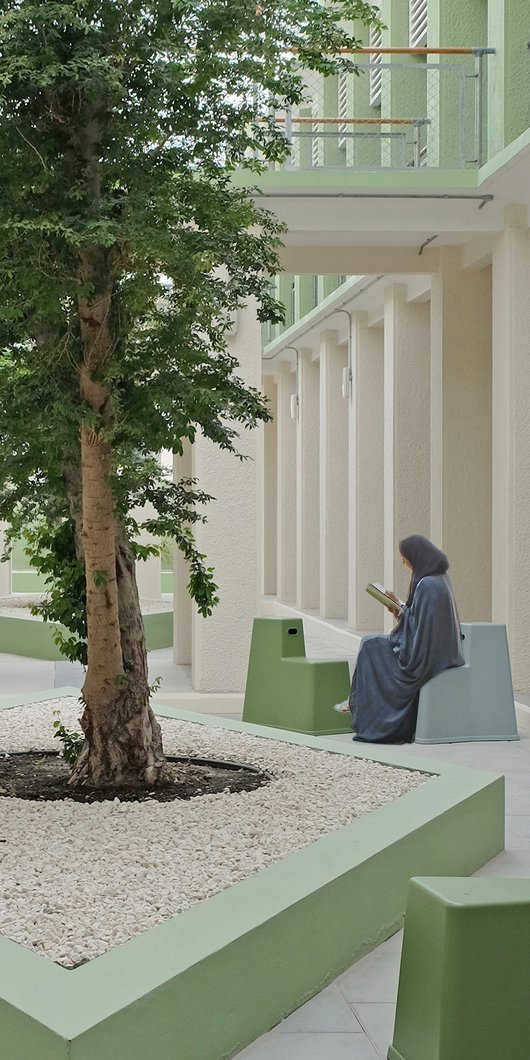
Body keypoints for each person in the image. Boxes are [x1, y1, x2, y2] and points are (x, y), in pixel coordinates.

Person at [334, 535, 464, 743]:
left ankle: (359, 704)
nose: (404, 563)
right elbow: (422, 622)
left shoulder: (427, 585)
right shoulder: (439, 579)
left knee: (369, 645)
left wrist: (400, 611)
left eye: (406, 558)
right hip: (437, 649)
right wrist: (401, 609)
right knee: (372, 643)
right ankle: (355, 700)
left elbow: (420, 630)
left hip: (424, 656)